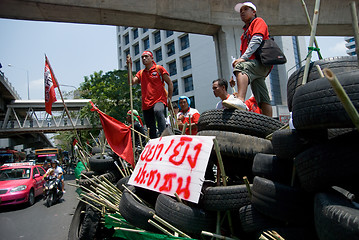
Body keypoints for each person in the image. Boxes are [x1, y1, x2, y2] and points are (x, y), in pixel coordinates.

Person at [224, 2, 273, 117]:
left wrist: (242, 60)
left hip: (261, 63)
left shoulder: (258, 21)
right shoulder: (244, 33)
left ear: (253, 12)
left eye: (246, 9)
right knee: (262, 97)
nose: (242, 12)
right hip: (254, 68)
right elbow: (245, 54)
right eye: (241, 10)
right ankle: (271, 124)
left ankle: (240, 100)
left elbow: (256, 40)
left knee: (240, 66)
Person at [127, 51, 174, 139]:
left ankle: (164, 135)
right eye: (142, 57)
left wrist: (169, 100)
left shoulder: (159, 69)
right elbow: (131, 82)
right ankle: (155, 142)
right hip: (146, 104)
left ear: (152, 58)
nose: (144, 58)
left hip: (159, 100)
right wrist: (129, 66)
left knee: (158, 111)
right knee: (150, 128)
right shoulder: (141, 73)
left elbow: (170, 83)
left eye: (146, 56)